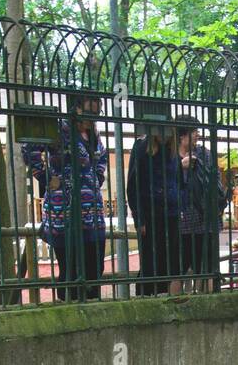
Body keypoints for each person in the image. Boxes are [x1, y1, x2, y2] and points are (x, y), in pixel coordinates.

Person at [21, 95, 107, 301]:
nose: (92, 117)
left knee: (95, 268)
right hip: (64, 212)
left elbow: (101, 156)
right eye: (89, 112)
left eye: (96, 113)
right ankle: (68, 309)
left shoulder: (93, 134)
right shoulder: (61, 128)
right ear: (76, 108)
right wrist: (46, 178)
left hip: (92, 213)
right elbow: (29, 147)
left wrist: (97, 177)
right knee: (69, 269)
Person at [126, 123, 182, 297]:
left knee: (170, 260)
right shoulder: (142, 148)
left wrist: (180, 204)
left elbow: (178, 181)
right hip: (150, 214)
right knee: (150, 260)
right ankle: (145, 297)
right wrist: (139, 218)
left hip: (171, 213)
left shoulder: (173, 151)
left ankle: (166, 297)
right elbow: (133, 186)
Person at [176, 117, 228, 292]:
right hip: (181, 223)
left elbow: (215, 179)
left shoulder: (204, 153)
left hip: (206, 220)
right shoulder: (170, 156)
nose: (197, 135)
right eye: (193, 132)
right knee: (177, 270)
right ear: (182, 136)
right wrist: (180, 168)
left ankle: (209, 303)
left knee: (207, 267)